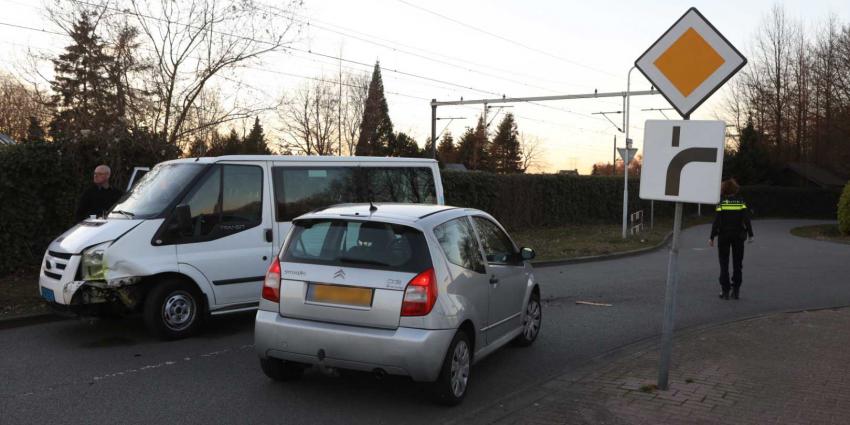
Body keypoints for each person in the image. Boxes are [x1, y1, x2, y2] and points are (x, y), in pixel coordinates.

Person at [709, 178, 754, 300]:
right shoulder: (740, 202)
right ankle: (736, 291)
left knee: (724, 263)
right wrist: (751, 234)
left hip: (724, 236)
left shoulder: (721, 203)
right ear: (735, 189)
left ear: (724, 189)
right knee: (737, 264)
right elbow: (746, 219)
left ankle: (725, 291)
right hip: (738, 236)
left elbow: (717, 221)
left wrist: (712, 236)